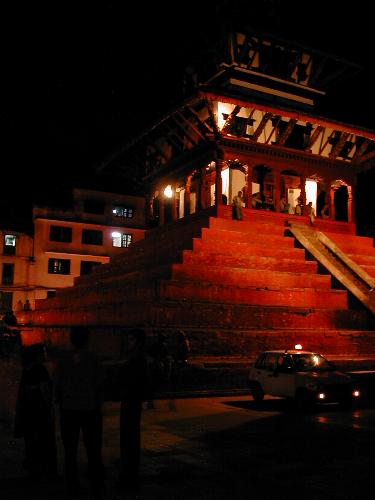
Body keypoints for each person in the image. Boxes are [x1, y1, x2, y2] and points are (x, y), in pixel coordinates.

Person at [54, 326, 105, 499]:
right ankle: (95, 483)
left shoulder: (63, 359)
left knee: (70, 450)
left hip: (68, 409)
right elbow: (99, 384)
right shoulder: (94, 359)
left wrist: (62, 402)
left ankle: (72, 484)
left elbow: (57, 385)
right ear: (87, 340)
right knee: (93, 449)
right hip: (89, 409)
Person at [14, 343, 57, 483]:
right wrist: (51, 409)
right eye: (43, 352)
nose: (45, 354)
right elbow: (45, 391)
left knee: (31, 442)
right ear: (38, 355)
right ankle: (46, 471)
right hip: (39, 410)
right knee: (44, 440)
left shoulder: (26, 369)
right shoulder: (40, 369)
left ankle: (34, 470)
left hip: (28, 411)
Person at [119, 328, 150, 498]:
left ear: (137, 342)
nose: (128, 343)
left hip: (131, 402)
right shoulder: (135, 360)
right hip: (130, 401)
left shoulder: (137, 361)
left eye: (131, 340)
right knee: (129, 438)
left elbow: (137, 383)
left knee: (129, 438)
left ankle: (129, 475)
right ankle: (129, 474)